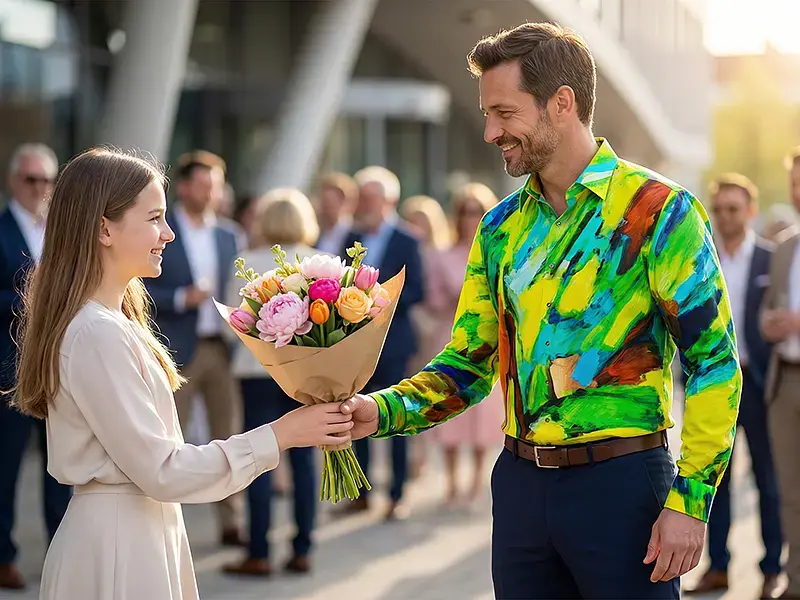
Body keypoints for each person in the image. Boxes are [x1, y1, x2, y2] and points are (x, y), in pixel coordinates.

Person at [340, 22, 740, 599]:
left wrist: (693, 501)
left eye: (504, 113)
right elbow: (469, 363)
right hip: (521, 490)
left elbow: (714, 364)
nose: (489, 131)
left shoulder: (660, 211)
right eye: (487, 114)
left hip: (624, 488)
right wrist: (375, 412)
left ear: (562, 103)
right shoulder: (500, 229)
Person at [8, 147, 351, 600]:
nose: (168, 233)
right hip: (118, 547)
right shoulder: (97, 332)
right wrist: (281, 435)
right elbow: (164, 470)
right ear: (103, 228)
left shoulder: (111, 324)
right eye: (153, 218)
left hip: (134, 534)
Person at [686, 174, 782, 598]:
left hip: (760, 385)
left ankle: (772, 569)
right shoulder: (697, 256)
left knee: (768, 481)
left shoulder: (772, 259)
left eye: (734, 209)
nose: (725, 217)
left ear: (750, 211)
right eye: (719, 209)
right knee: (714, 480)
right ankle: (719, 567)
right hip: (712, 388)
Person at [145, 150, 247, 547]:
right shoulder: (165, 231)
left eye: (215, 186)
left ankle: (231, 522)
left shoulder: (230, 235)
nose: (210, 193)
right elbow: (142, 286)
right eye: (203, 185)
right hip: (176, 348)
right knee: (172, 440)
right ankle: (167, 525)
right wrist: (179, 299)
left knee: (229, 435)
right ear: (184, 188)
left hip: (221, 349)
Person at [222, 188, 322, 577]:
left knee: (257, 459)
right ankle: (303, 548)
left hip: (256, 374)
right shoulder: (316, 263)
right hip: (305, 375)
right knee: (303, 462)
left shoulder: (246, 261)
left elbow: (234, 324)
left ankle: (259, 551)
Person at [0, 143, 72, 590]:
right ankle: (2, 555)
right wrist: (36, 298)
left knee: (60, 466)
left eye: (48, 180)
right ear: (13, 181)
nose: (40, 188)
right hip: (9, 369)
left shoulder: (62, 231)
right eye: (32, 179)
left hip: (61, 367)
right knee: (6, 468)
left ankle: (60, 554)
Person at [339, 166, 424, 520]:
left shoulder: (408, 240)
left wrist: (375, 301)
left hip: (393, 344)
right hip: (354, 346)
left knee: (395, 417)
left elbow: (416, 290)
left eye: (372, 198)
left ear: (390, 200)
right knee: (354, 415)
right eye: (362, 198)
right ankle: (360, 493)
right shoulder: (350, 237)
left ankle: (397, 494)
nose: (365, 204)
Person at [422, 183, 505, 507]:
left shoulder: (497, 250)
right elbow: (432, 299)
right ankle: (452, 483)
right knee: (450, 406)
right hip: (452, 334)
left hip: (489, 340)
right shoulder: (442, 255)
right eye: (466, 211)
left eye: (477, 211)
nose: (471, 218)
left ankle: (475, 483)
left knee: (482, 412)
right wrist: (459, 298)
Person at [761, 147, 800, 600]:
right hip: (784, 381)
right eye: (793, 182)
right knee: (789, 490)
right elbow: (769, 308)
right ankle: (796, 578)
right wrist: (768, 322)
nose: (797, 190)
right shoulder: (784, 248)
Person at [314, 171, 358, 256]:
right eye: (325, 203)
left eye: (332, 203)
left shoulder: (356, 234)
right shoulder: (315, 232)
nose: (327, 209)